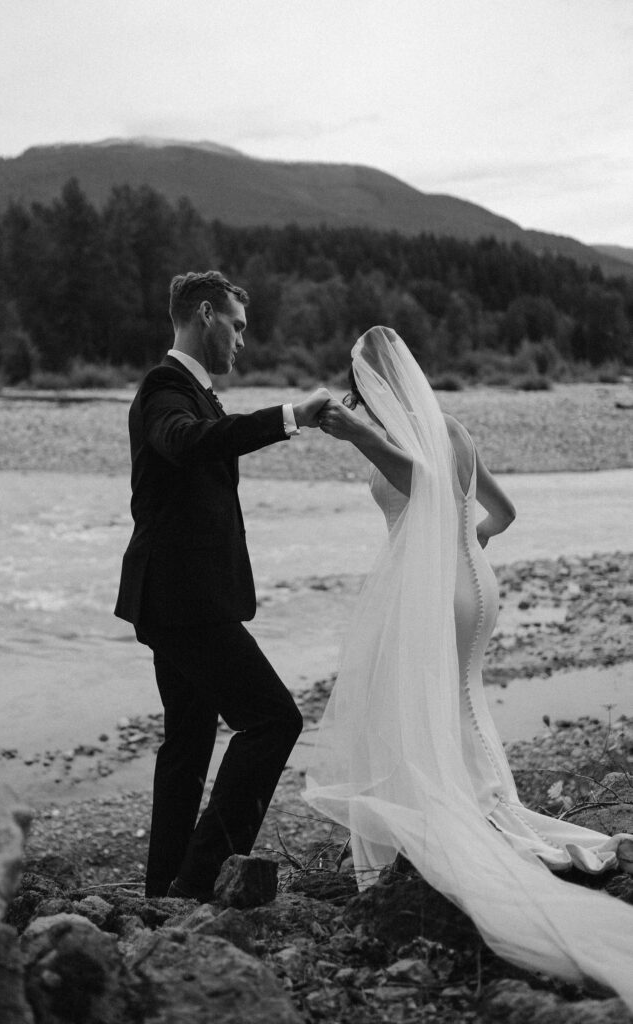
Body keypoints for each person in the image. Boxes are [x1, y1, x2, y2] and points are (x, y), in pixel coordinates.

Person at [304, 326, 633, 1007]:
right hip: (477, 584)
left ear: (374, 388)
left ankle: (466, 821)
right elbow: (502, 513)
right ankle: (488, 807)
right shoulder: (452, 428)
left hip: (435, 594)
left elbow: (420, 485)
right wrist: (468, 542)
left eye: (363, 392)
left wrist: (355, 436)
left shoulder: (405, 443)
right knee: (463, 699)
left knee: (418, 702)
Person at [115, 270, 330, 900]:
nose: (241, 340)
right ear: (204, 314)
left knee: (187, 739)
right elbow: (187, 443)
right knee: (273, 721)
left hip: (178, 598)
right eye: (235, 325)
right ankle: (202, 876)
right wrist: (290, 416)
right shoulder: (165, 388)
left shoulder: (196, 393)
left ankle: (163, 889)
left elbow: (207, 438)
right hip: (182, 603)